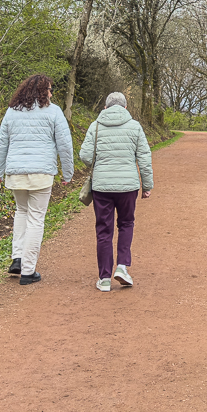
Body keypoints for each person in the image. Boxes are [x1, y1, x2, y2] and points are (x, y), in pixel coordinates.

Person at [0, 74, 74, 285]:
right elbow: (64, 144)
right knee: (36, 218)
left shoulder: (12, 112)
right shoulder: (53, 112)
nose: (51, 94)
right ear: (43, 92)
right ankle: (28, 270)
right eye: (50, 90)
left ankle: (17, 257)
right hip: (41, 173)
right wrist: (68, 172)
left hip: (16, 173)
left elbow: (1, 144)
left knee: (21, 212)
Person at [80, 92, 153, 292]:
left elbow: (85, 156)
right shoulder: (135, 126)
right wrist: (147, 186)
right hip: (128, 186)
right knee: (126, 223)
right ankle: (122, 267)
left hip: (102, 186)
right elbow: (144, 159)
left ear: (105, 108)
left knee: (104, 230)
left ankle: (104, 279)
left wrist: (100, 161)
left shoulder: (95, 126)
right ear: (125, 108)